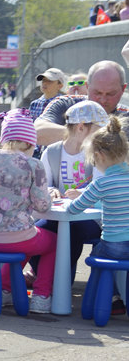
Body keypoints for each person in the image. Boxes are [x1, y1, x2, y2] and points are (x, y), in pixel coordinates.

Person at [0, 110, 55, 314]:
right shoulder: (34, 164)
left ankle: (6, 289)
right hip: (20, 236)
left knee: (21, 242)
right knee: (52, 242)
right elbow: (43, 206)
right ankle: (42, 296)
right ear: (30, 143)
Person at [40, 100, 107, 279]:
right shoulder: (51, 152)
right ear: (80, 127)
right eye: (97, 131)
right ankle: (45, 277)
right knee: (39, 230)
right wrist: (51, 190)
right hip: (59, 214)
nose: (101, 136)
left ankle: (61, 279)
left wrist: (83, 193)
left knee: (72, 231)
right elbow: (42, 184)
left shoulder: (98, 154)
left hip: (90, 218)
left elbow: (101, 187)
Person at [65, 115, 129, 262]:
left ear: (99, 156)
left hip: (113, 246)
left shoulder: (101, 184)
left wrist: (69, 202)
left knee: (95, 256)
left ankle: (95, 285)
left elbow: (74, 209)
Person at [34, 60, 128, 146]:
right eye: (97, 93)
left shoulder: (125, 116)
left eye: (110, 94)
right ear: (87, 86)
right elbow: (37, 131)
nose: (103, 99)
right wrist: (98, 138)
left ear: (123, 89)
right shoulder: (66, 104)